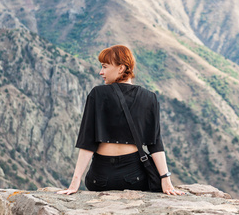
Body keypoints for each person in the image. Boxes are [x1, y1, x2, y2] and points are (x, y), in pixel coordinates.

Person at [57, 45, 184, 196]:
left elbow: (87, 141)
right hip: (136, 177)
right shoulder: (149, 97)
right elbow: (155, 143)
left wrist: (75, 181)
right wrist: (165, 179)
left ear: (121, 68)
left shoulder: (97, 94)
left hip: (100, 178)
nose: (101, 72)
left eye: (105, 66)